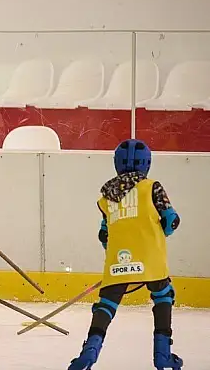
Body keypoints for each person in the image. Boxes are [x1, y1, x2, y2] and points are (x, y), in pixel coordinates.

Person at [68, 139, 183, 370]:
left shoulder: (106, 197)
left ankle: (89, 352)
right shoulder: (152, 187)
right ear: (146, 164)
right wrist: (158, 234)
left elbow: (104, 235)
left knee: (106, 305)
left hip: (118, 261)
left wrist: (123, 255)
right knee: (163, 297)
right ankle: (162, 355)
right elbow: (172, 221)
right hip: (151, 260)